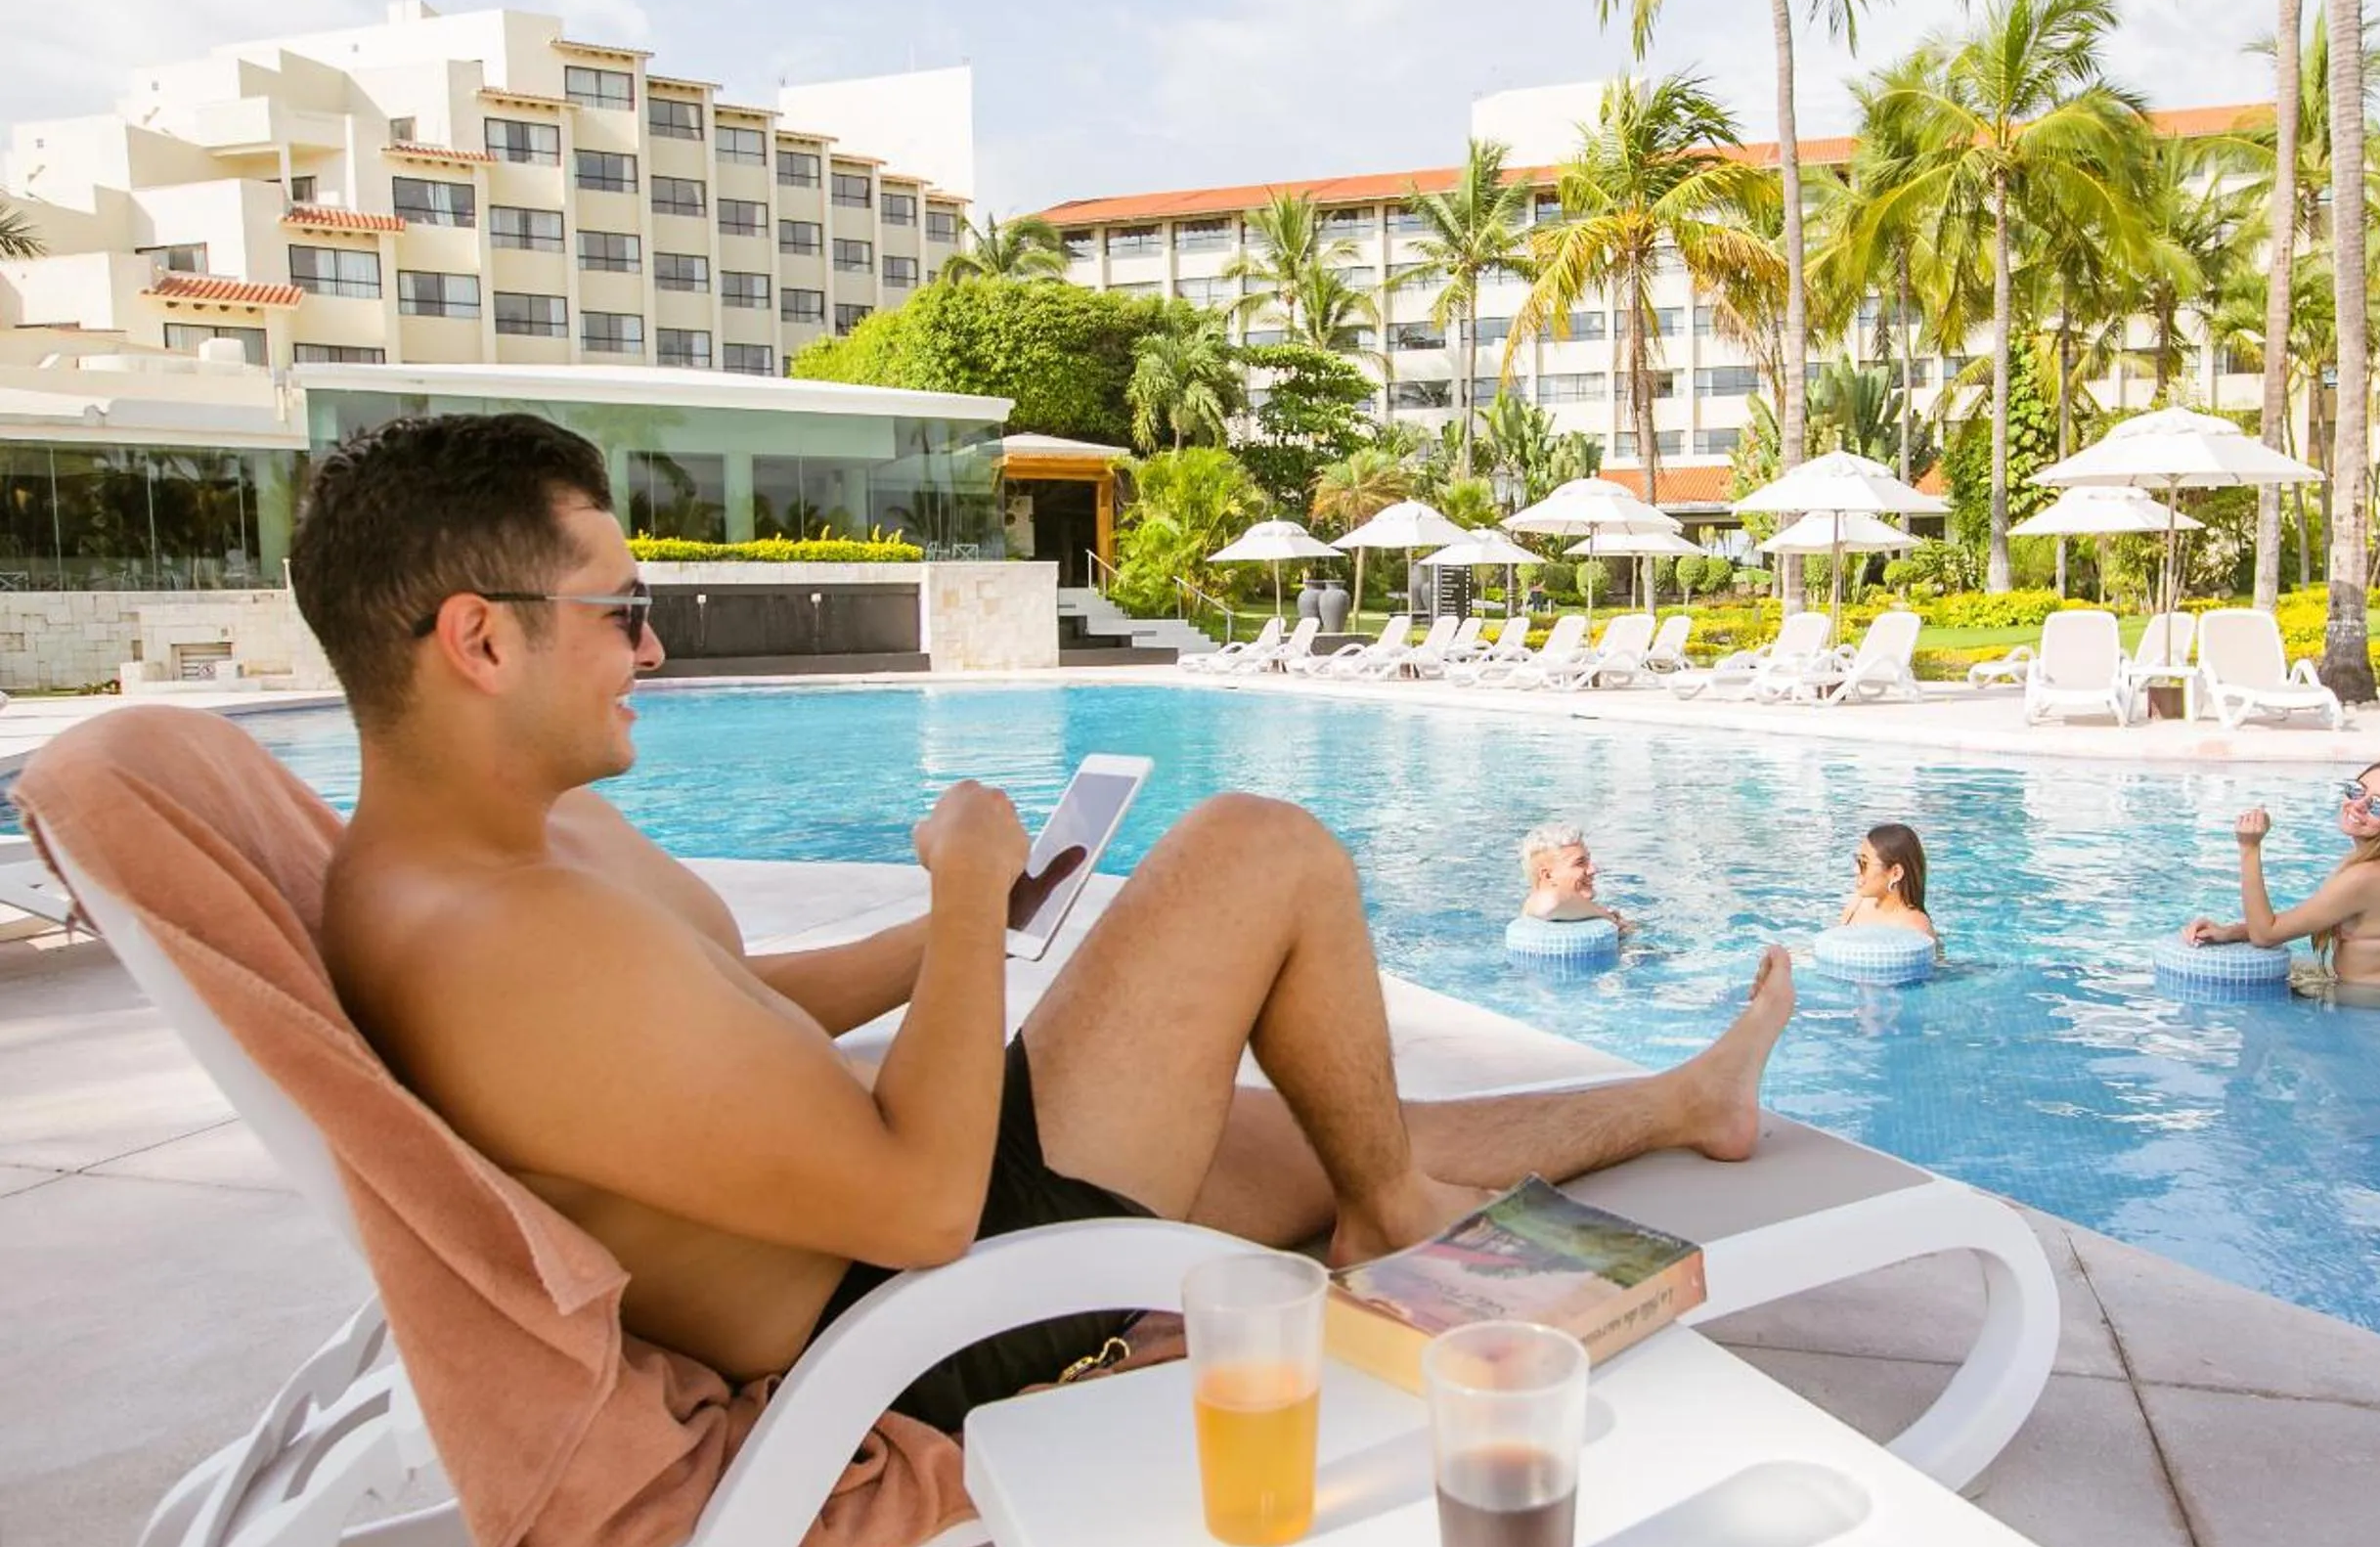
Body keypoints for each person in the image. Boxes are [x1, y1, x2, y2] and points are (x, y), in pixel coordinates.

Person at [291, 414, 1790, 1436]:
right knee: (1254, 848)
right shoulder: (496, 951)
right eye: (622, 610)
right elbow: (921, 1213)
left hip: (917, 1189)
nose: (655, 641)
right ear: (480, 638)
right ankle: (1392, 1212)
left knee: (1320, 1121)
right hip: (928, 1307)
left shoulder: (516, 847)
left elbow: (725, 1004)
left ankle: (1674, 1102)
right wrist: (954, 900)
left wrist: (981, 926)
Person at [2184, 759, 2380, 1006]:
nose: (2357, 805)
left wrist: (2249, 848)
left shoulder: (2366, 877)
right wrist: (2230, 932)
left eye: (2378, 806)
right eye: (2356, 790)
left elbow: (2265, 934)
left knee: (2229, 990)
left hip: (2369, 1009)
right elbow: (2306, 917)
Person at [1517, 822, 1632, 932]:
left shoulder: (1574, 911)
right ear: (1548, 875)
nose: (1593, 870)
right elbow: (1550, 901)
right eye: (1580, 863)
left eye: (1588, 860)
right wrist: (1605, 914)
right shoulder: (1535, 905)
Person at [1838, 822, 1937, 946]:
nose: (1856, 870)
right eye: (1858, 860)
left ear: (1895, 873)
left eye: (1864, 863)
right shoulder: (1858, 904)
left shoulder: (1916, 928)